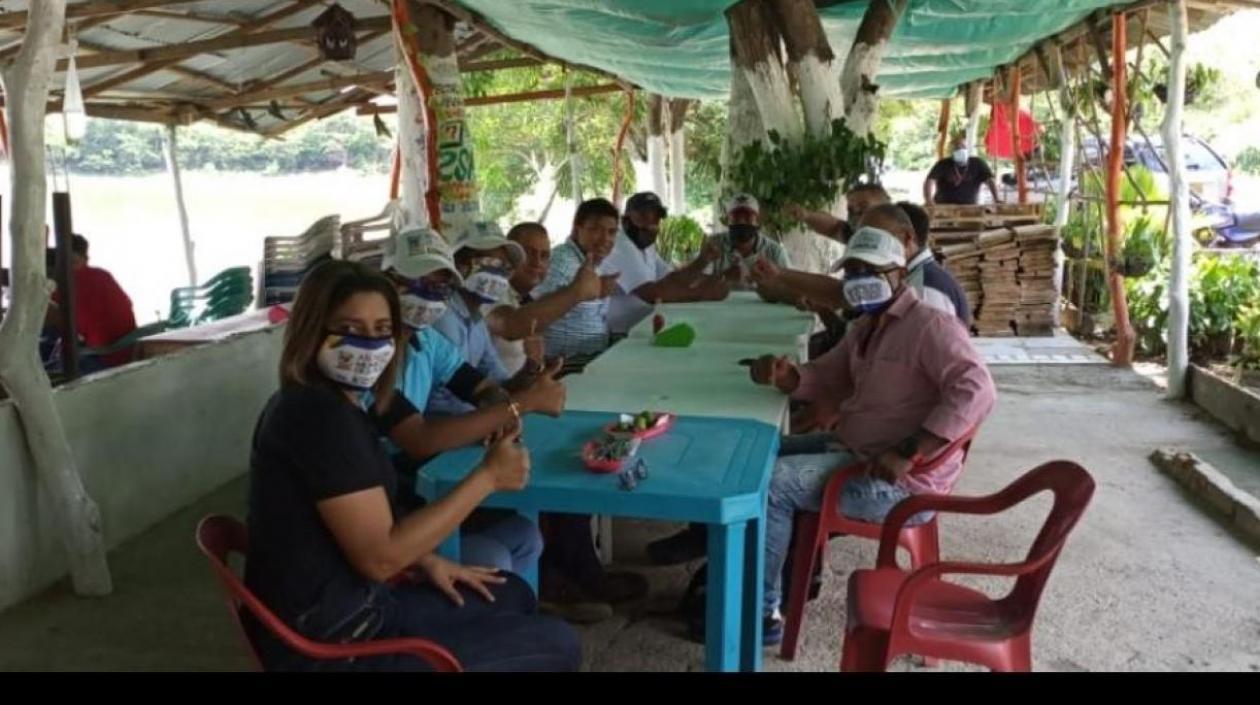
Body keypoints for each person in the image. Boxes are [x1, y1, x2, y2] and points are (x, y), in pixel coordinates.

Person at [243, 258, 580, 671]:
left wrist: (428, 560)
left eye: (381, 331)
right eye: (349, 331)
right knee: (559, 643)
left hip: (361, 603)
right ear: (311, 333)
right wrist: (488, 477)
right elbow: (381, 558)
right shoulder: (319, 419)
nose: (368, 348)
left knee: (512, 592)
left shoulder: (339, 403)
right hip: (341, 645)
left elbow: (358, 529)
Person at [741, 226, 996, 644]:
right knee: (756, 451)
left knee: (772, 484)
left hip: (896, 484)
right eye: (853, 271)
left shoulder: (930, 326)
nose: (859, 280)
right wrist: (789, 377)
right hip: (856, 449)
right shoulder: (867, 326)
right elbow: (827, 375)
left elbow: (978, 390)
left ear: (899, 273)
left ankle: (761, 613)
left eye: (870, 270)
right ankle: (745, 577)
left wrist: (911, 450)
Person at [369, 227, 557, 579]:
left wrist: (500, 411)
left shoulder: (427, 340)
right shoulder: (370, 355)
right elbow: (418, 438)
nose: (427, 297)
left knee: (526, 536)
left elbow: (481, 385)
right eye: (415, 282)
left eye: (440, 288)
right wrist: (519, 406)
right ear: (385, 282)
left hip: (424, 476)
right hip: (389, 496)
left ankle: (512, 617)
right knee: (494, 555)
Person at [603, 191, 729, 335]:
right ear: (626, 220)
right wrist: (703, 293)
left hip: (642, 327)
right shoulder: (619, 245)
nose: (651, 224)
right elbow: (653, 293)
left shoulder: (646, 246)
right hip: (619, 335)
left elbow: (673, 279)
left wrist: (705, 263)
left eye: (656, 217)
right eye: (643, 217)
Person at [487, 222, 602, 378]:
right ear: (509, 255)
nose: (538, 262)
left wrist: (536, 367)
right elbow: (510, 325)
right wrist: (577, 291)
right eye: (529, 253)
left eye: (544, 256)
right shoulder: (491, 288)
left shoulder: (524, 298)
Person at [534, 198, 622, 374]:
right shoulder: (561, 262)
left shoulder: (588, 262)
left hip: (590, 357)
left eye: (611, 232)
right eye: (595, 229)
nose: (605, 238)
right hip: (567, 364)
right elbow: (537, 313)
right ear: (576, 229)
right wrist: (585, 291)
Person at [48, 234, 137, 368]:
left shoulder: (66, 283)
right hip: (128, 351)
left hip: (102, 357)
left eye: (70, 262)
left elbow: (44, 314)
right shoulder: (103, 274)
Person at [896, 201, 973, 326]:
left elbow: (933, 343)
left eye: (883, 236)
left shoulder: (925, 288)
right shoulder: (917, 276)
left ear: (907, 238)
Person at [703, 194, 791, 291]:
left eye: (748, 218)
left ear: (757, 221)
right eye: (736, 218)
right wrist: (725, 276)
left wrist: (763, 283)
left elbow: (790, 287)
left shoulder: (775, 252)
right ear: (728, 221)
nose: (742, 222)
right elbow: (697, 283)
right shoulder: (714, 245)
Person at [784, 183, 892, 243]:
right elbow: (834, 228)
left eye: (864, 206)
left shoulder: (899, 245)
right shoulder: (859, 236)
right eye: (850, 210)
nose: (856, 212)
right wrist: (806, 215)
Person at [924, 133, 1001, 206]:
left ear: (967, 149)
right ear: (952, 151)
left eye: (963, 147)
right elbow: (930, 181)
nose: (961, 150)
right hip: (944, 206)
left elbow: (990, 180)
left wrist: (996, 198)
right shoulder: (943, 164)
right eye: (957, 148)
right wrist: (928, 200)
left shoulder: (977, 163)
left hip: (970, 207)